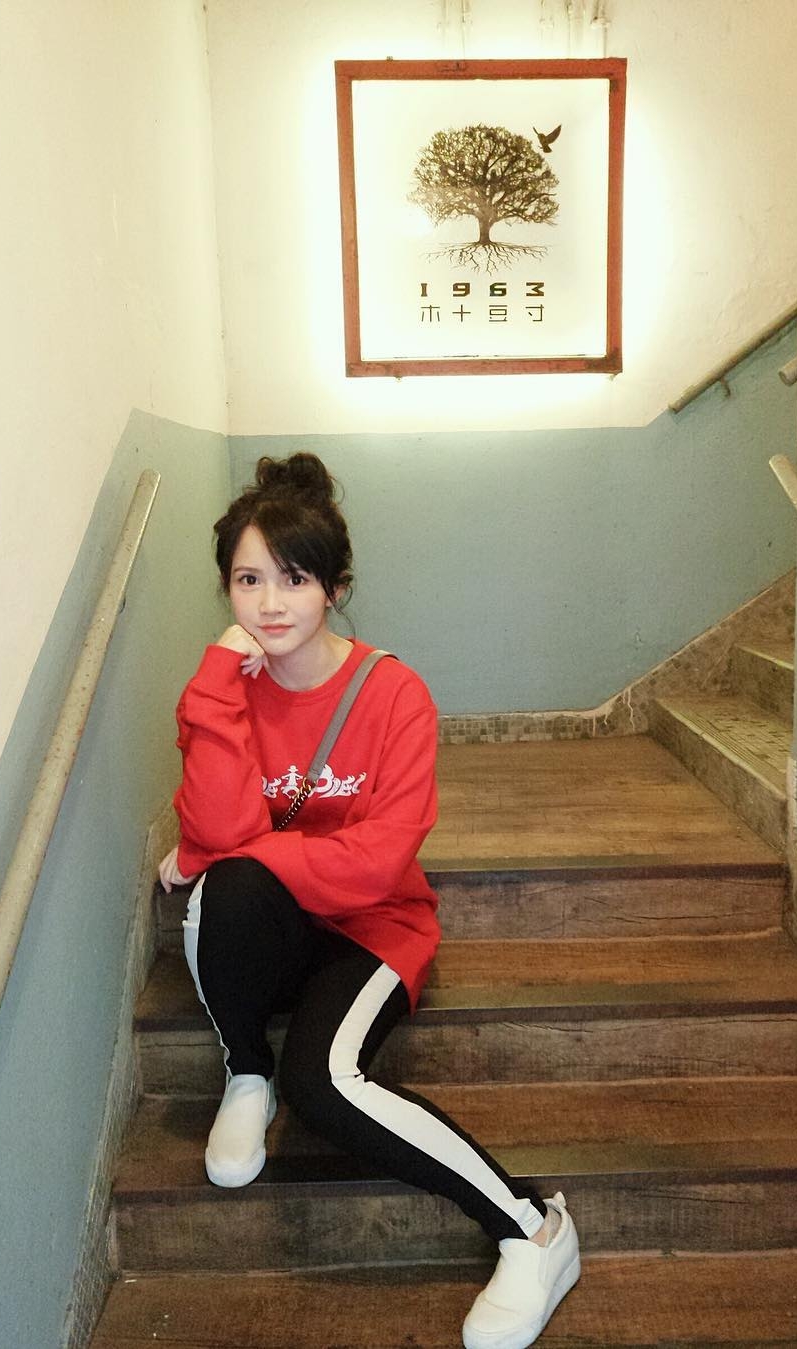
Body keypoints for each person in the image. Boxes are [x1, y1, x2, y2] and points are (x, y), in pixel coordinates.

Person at [158, 453, 580, 1349]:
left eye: (295, 578)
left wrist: (241, 851)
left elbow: (378, 863)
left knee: (321, 1081)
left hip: (373, 929)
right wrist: (215, 683)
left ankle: (534, 1228)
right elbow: (218, 825)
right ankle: (245, 1069)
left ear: (336, 587)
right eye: (248, 579)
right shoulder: (229, 689)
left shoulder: (394, 694)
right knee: (223, 892)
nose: (270, 603)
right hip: (281, 926)